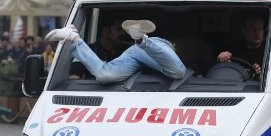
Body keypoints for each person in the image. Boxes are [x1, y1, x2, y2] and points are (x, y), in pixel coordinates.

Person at [46, 19, 186, 84]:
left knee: (177, 71)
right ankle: (72, 35)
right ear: (105, 31)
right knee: (105, 75)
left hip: (156, 45)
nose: (123, 34)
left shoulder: (123, 47)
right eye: (118, 29)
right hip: (140, 52)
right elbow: (75, 71)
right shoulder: (92, 49)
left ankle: (142, 40)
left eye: (123, 30)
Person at [216, 11, 267, 76]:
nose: (257, 33)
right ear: (243, 31)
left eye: (260, 29)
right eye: (252, 29)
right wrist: (222, 57)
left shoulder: (270, 50)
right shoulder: (234, 49)